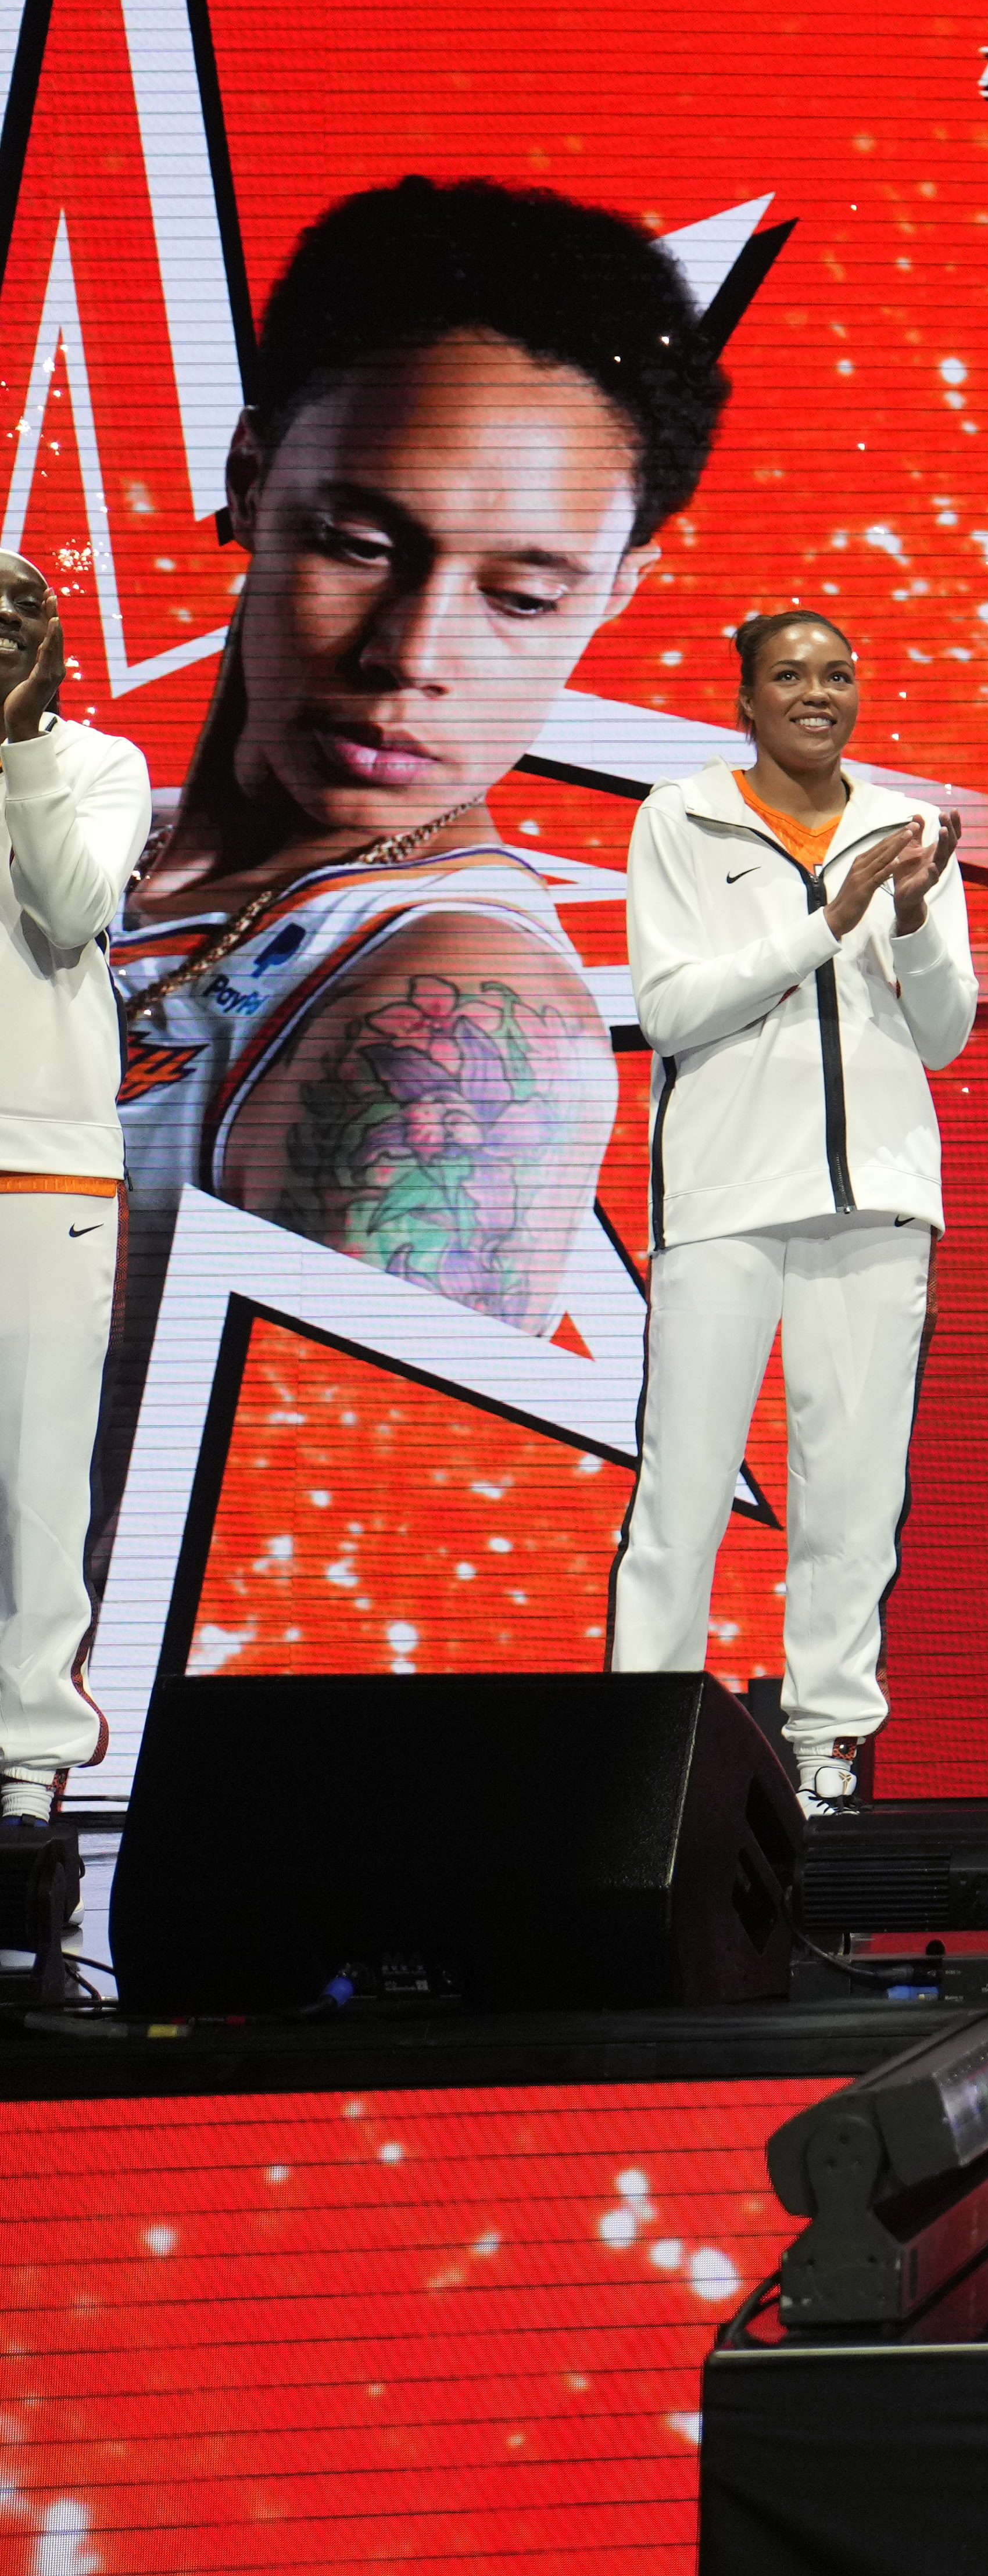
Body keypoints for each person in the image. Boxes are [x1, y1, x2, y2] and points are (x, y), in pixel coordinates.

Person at [98, 177, 727, 1552]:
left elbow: (306, 1577)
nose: (413, 656)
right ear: (251, 477)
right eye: (362, 544)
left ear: (617, 590)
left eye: (522, 596)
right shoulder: (90, 849)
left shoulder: (449, 1027)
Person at [604, 612, 973, 1815]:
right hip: (724, 1196)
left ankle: (829, 1745)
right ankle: (645, 1751)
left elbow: (943, 1033)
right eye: (791, 675)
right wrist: (827, 922)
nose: (819, 693)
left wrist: (909, 917)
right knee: (684, 1489)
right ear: (747, 702)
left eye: (838, 674)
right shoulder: (682, 818)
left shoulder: (907, 829)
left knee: (852, 1495)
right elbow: (671, 1010)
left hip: (878, 1197)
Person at [0, 554, 149, 1827]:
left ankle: (27, 1760)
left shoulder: (98, 765)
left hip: (42, 1158)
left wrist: (23, 746)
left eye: (25, 604)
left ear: (56, 634)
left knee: (41, 1474)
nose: (4, 622)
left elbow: (68, 911)